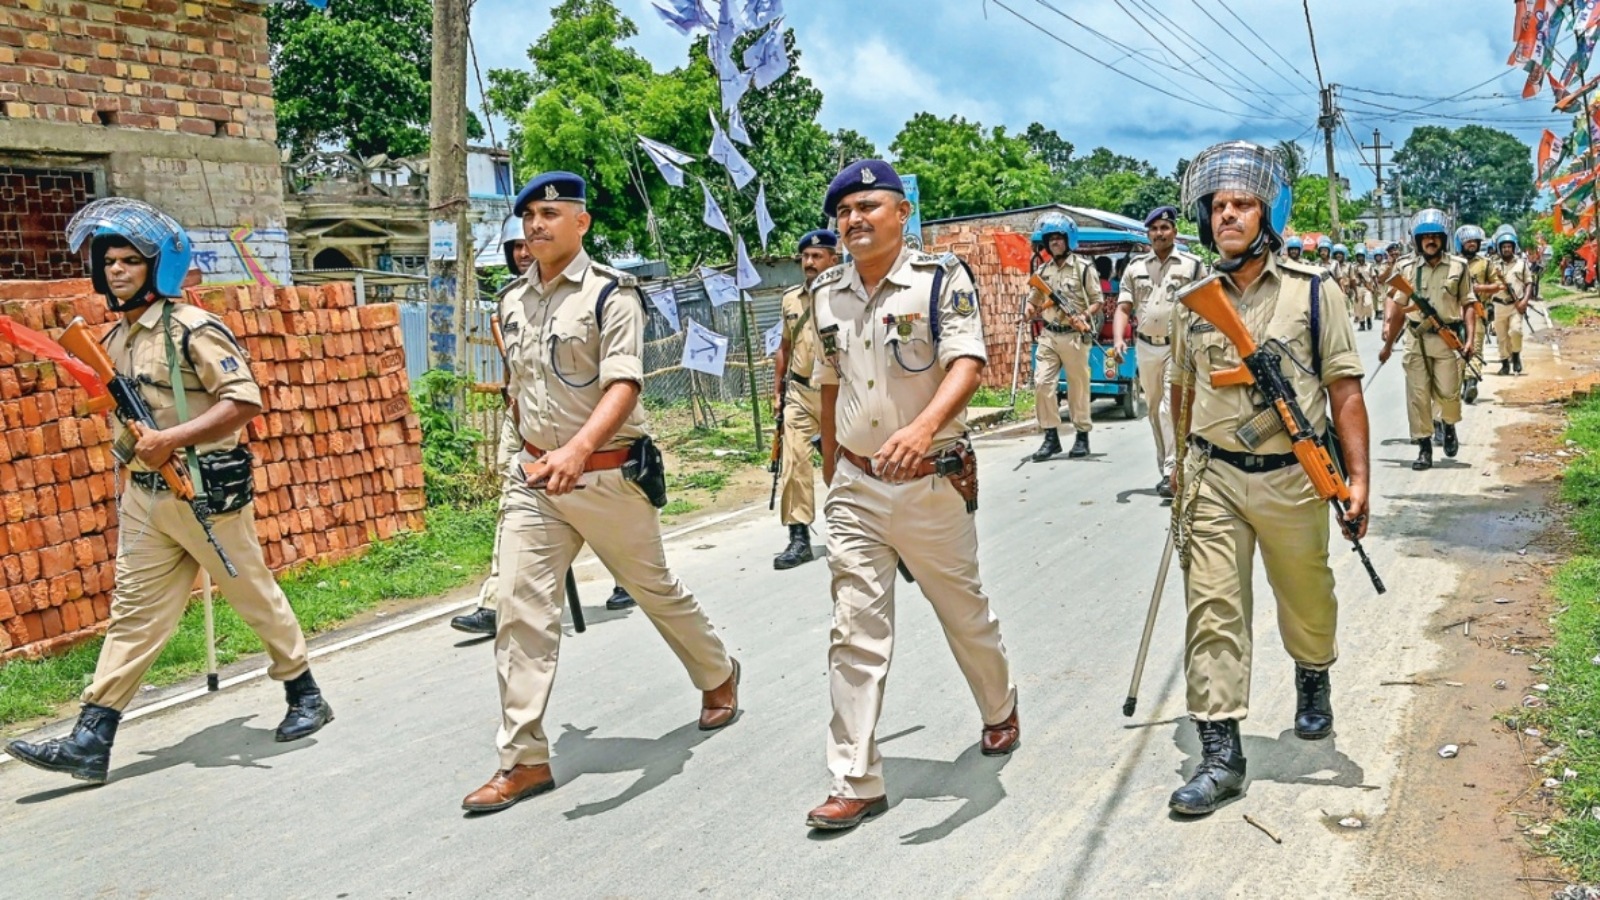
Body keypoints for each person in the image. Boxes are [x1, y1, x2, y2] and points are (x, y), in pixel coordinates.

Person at [5, 199, 334, 784]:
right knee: (133, 614)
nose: (117, 270)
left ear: (158, 267)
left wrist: (171, 439)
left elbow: (244, 401)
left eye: (130, 261)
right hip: (146, 496)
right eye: (110, 261)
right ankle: (92, 736)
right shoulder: (114, 338)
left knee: (252, 595)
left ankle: (304, 691)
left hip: (203, 493)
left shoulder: (191, 329)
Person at [463, 172, 740, 813]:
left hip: (608, 476)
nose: (536, 225)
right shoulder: (510, 301)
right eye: (528, 216)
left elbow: (624, 385)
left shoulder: (612, 294)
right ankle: (523, 759)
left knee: (653, 590)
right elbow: (519, 388)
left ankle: (718, 672)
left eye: (549, 214)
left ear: (581, 222)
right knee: (519, 611)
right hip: (535, 481)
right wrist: (524, 454)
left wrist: (578, 451)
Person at [804, 159, 1017, 831]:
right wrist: (834, 466)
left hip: (931, 480)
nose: (853, 219)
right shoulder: (825, 293)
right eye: (844, 212)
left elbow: (968, 364)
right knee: (854, 631)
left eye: (868, 206)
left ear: (901, 213)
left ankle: (999, 706)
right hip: (857, 487)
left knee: (964, 612)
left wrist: (922, 429)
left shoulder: (939, 279)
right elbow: (828, 381)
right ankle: (855, 780)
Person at [1167, 141, 1370, 816]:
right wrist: (1178, 466)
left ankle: (1313, 675)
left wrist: (1358, 479)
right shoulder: (1191, 300)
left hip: (1292, 478)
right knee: (1213, 609)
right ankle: (1220, 753)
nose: (1227, 215)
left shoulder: (1314, 291)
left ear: (1268, 216)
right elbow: (1182, 387)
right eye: (1218, 206)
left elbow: (1344, 389)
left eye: (1242, 204)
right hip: (1214, 477)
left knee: (1307, 598)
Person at [450, 217, 635, 637]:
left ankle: (628, 575)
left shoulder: (596, 291)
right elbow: (517, 370)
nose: (523, 252)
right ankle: (497, 600)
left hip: (585, 419)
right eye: (515, 246)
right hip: (526, 420)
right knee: (513, 502)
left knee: (604, 506)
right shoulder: (510, 301)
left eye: (527, 244)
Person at [1113, 206, 1205, 497]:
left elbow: (1206, 305)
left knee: (1168, 408)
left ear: (1174, 232)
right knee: (1154, 410)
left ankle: (1170, 471)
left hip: (1178, 346)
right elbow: (1123, 307)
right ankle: (1169, 466)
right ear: (1148, 234)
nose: (1159, 233)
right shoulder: (1135, 267)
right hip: (1144, 346)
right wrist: (1118, 339)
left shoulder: (1192, 265)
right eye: (1153, 229)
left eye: (1164, 228)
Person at [1377, 210, 1475, 470]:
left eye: (1435, 236)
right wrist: (1388, 345)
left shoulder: (1459, 266)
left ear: (1443, 239)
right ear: (1417, 241)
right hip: (1416, 340)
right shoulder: (1406, 268)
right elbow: (1399, 309)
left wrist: (1470, 340)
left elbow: (1468, 303)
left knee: (1449, 393)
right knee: (1418, 396)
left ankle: (1449, 425)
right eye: (1425, 237)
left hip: (1447, 339)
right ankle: (1424, 447)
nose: (1430, 241)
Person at [771, 229, 839, 570]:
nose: (809, 263)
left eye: (816, 256)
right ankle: (798, 538)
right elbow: (783, 348)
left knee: (845, 462)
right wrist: (777, 392)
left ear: (833, 260)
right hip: (799, 393)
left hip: (838, 393)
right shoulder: (790, 300)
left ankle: (859, 527)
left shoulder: (846, 295)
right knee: (794, 462)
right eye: (805, 257)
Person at [1026, 212, 1103, 461]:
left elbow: (1097, 301)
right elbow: (1033, 299)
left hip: (1074, 336)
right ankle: (1051, 437)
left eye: (1059, 238)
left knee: (1077, 387)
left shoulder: (1083, 268)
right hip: (1049, 334)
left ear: (1068, 239)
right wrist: (1028, 310)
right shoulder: (1043, 271)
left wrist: (1083, 315)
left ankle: (1082, 436)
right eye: (1050, 239)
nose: (1054, 243)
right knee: (1042, 383)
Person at [1456, 224, 1493, 404]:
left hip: (1477, 311)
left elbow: (1498, 285)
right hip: (1455, 314)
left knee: (1475, 347)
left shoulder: (1485, 263)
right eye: (1468, 241)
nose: (1472, 244)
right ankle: (1462, 383)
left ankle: (1471, 382)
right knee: (1458, 349)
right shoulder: (1452, 263)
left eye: (1475, 241)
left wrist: (1480, 288)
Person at [1488, 226, 1531, 375]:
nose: (1506, 249)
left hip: (1515, 305)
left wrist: (1525, 301)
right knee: (1501, 337)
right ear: (1499, 248)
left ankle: (1516, 355)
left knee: (1516, 331)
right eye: (1504, 247)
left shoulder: (1521, 264)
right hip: (1498, 305)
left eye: (1509, 246)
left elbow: (1529, 283)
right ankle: (1505, 363)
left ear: (1513, 247)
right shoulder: (1492, 264)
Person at [1351, 247, 1376, 331]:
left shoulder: (1369, 265)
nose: (1360, 258)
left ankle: (1368, 318)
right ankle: (1362, 323)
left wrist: (1375, 287)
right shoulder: (1354, 267)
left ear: (1364, 256)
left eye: (1361, 256)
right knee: (1359, 306)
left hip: (1367, 287)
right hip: (1358, 287)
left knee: (1368, 304)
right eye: (1358, 256)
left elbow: (1373, 276)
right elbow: (1352, 278)